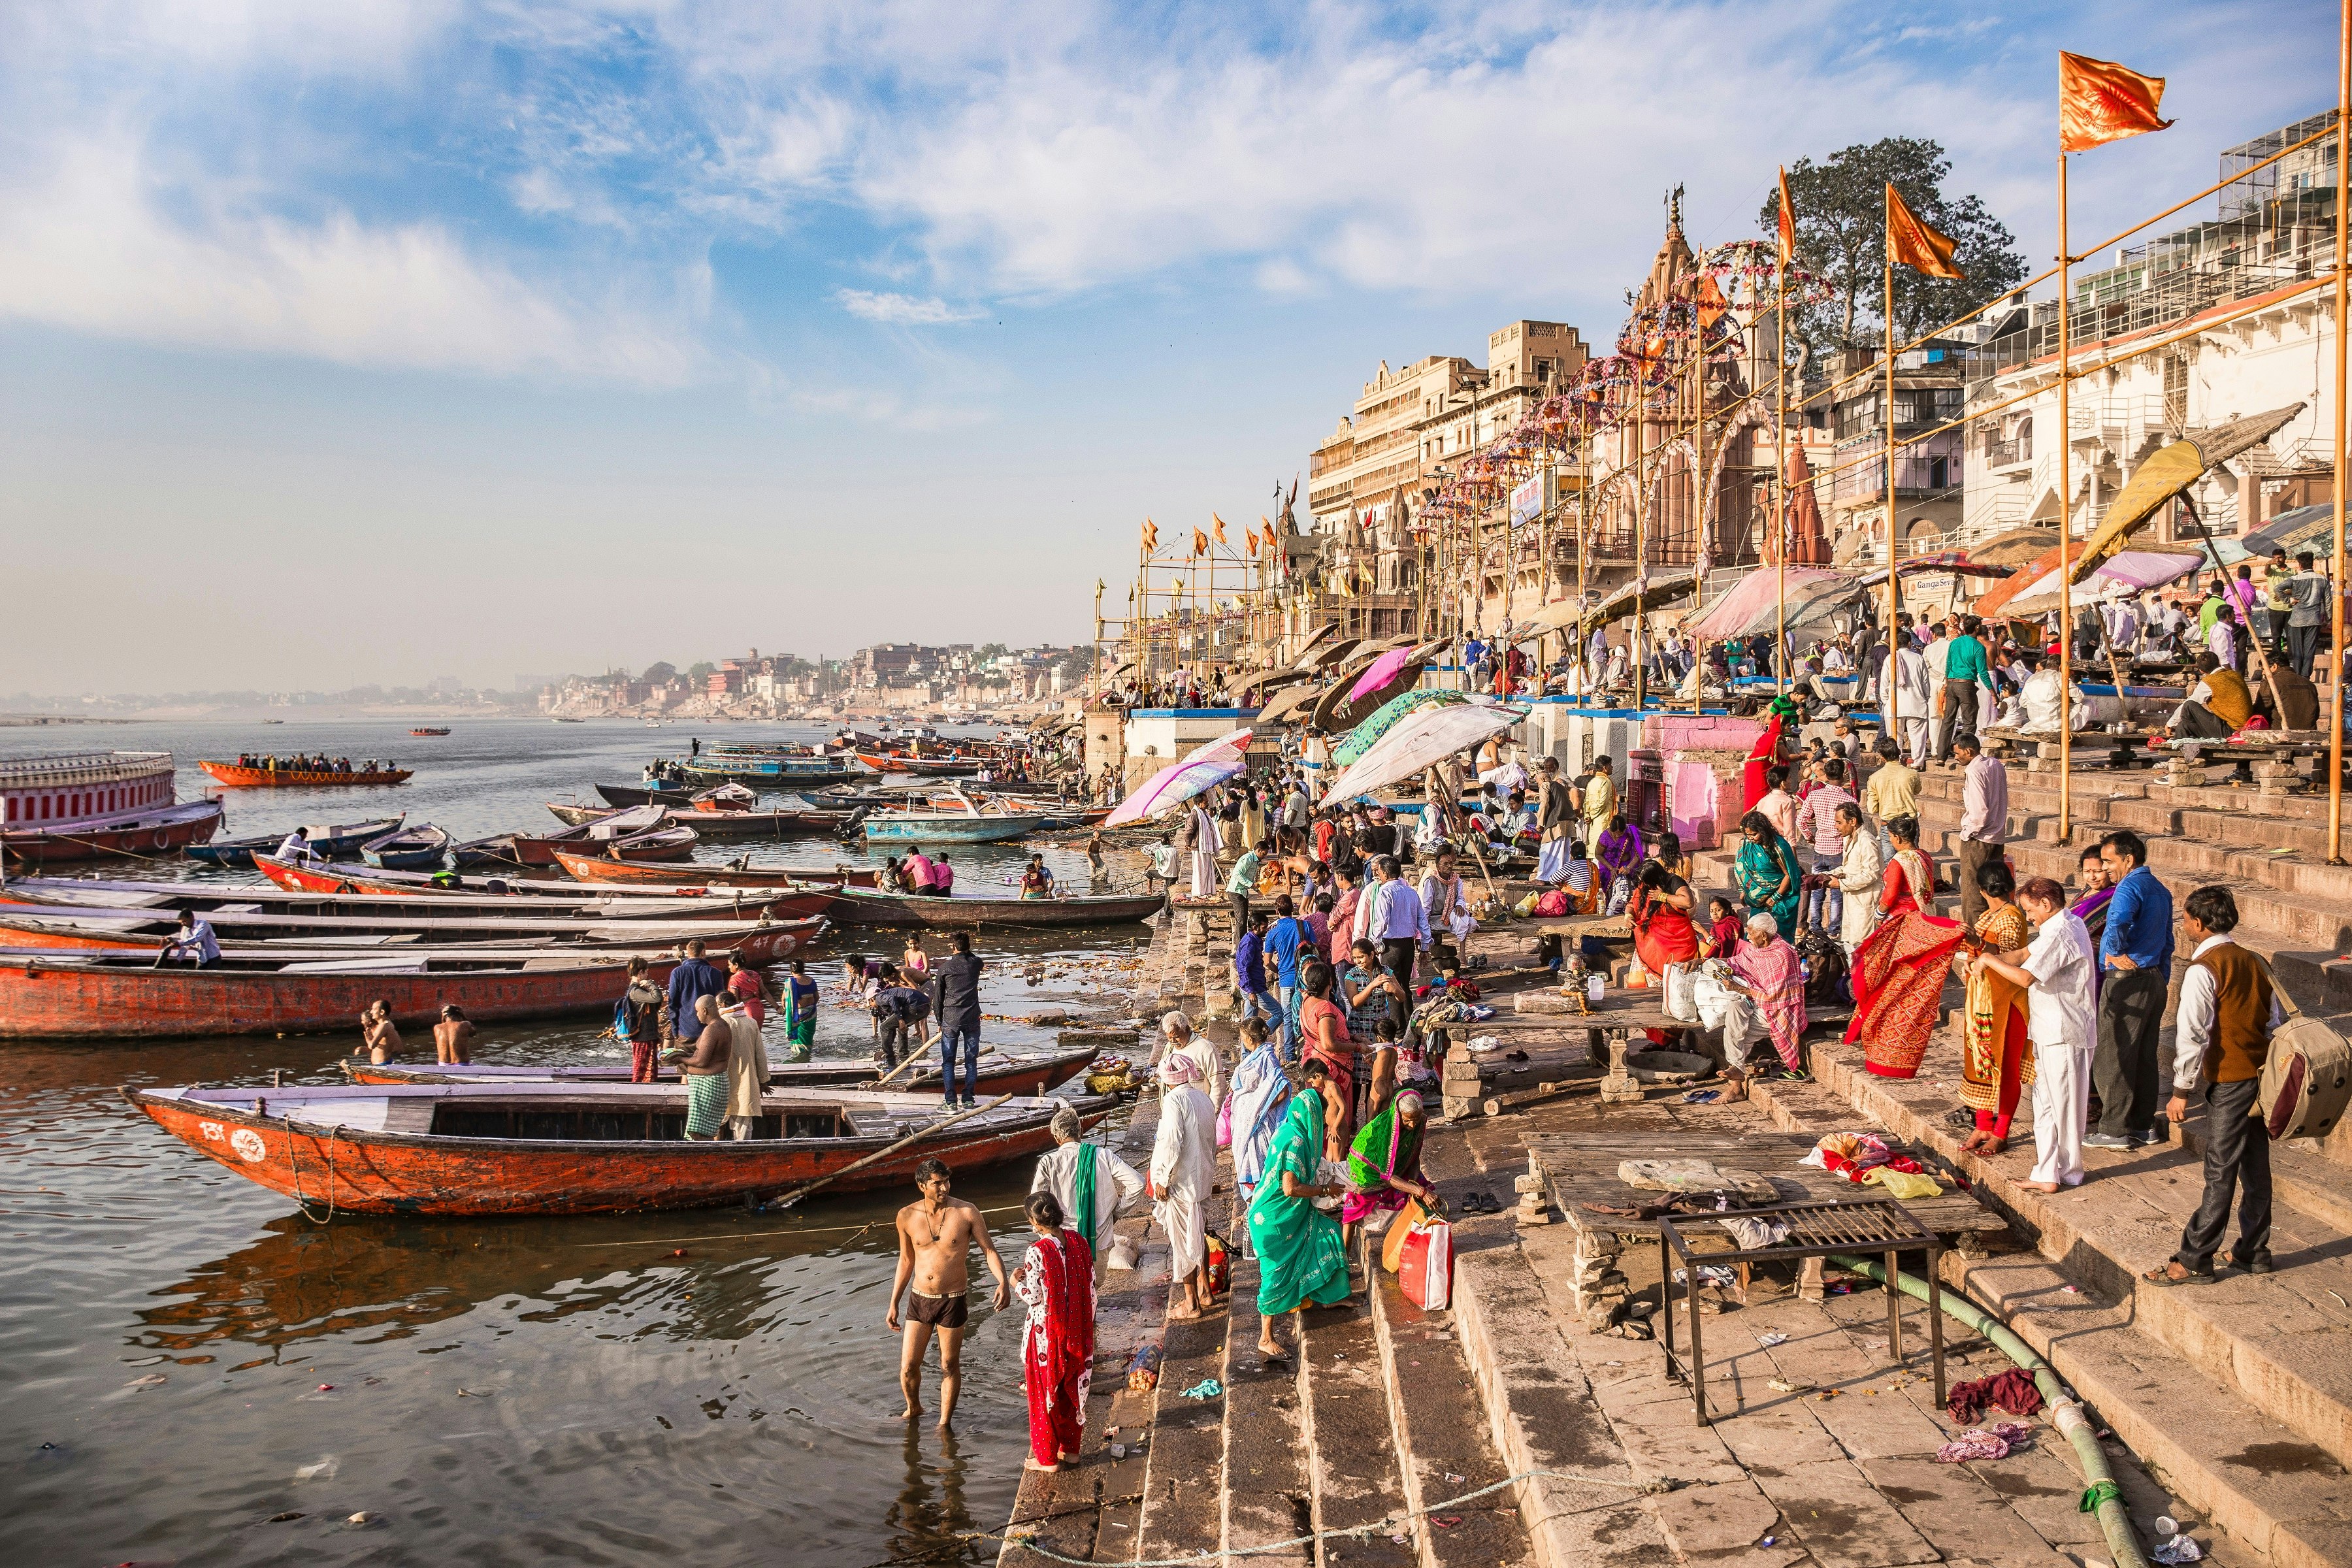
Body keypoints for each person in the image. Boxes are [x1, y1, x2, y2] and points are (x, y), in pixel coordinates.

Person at [2146, 886, 2287, 1285]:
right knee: (2256, 1165)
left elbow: (2192, 1036)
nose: (2185, 924)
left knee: (2221, 1168)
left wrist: (2180, 1090)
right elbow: (2274, 1020)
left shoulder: (2203, 969)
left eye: (2187, 919)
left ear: (2200, 923)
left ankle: (2194, 1258)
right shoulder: (2255, 961)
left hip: (2230, 1079)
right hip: (2262, 1076)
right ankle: (2253, 1249)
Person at [1967, 877, 2097, 1192]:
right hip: (2049, 1028)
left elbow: (2025, 977)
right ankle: (2046, 1173)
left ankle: (2067, 1171)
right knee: (2047, 1104)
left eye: (2030, 910)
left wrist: (1989, 962)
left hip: (2063, 1031)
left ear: (2046, 905)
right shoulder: (2062, 925)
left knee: (2064, 1106)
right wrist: (1986, 962)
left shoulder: (2063, 933)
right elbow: (2024, 954)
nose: (2028, 917)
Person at [887, 1158, 1011, 1428]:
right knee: (909, 1367)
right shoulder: (906, 1216)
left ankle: (944, 1425)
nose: (944, 1187)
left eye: (946, 1181)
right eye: (937, 1183)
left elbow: (989, 1250)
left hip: (952, 1300)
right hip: (920, 1299)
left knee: (948, 1365)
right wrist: (894, 1302)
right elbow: (906, 1260)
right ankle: (914, 1409)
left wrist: (1002, 1281)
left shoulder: (967, 1213)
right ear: (922, 1186)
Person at [1247, 1054, 1352, 1358]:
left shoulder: (1290, 1130)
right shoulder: (1294, 1141)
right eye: (1319, 1116)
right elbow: (1291, 1187)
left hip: (1288, 1214)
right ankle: (1265, 1336)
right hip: (1275, 1219)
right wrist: (1325, 1190)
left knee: (1329, 1234)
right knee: (1275, 1274)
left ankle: (1332, 1295)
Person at [1850, 815, 1967, 1080]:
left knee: (1888, 976)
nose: (1890, 841)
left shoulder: (1899, 861)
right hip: (1924, 920)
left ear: (1898, 838)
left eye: (1890, 836)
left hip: (1903, 923)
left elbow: (1890, 896)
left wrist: (1879, 915)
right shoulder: (1924, 856)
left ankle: (1885, 1019)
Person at [2090, 830, 2172, 1151]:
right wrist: (2160, 976)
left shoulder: (2129, 886)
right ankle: (2143, 1125)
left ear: (2128, 859)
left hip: (2127, 981)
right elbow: (2168, 941)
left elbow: (2117, 924)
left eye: (2109, 862)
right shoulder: (2160, 890)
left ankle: (2114, 1129)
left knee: (2113, 1056)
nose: (2106, 869)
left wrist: (2114, 953)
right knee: (2143, 1056)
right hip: (2153, 978)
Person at [1010, 1190, 1095, 1473]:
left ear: (1034, 1223)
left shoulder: (1037, 1251)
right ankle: (1070, 1451)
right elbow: (1091, 1285)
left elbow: (1033, 1295)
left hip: (1046, 1336)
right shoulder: (1078, 1241)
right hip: (1077, 1331)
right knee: (1071, 1390)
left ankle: (1046, 1459)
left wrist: (1014, 1283)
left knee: (1043, 1392)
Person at [1952, 862, 2032, 1156]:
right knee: (1982, 1064)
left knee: (2006, 1069)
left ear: (1982, 891)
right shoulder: (1991, 915)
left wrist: (1977, 943)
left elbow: (2011, 955)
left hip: (2006, 1003)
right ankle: (1984, 1124)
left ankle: (2001, 1132)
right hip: (1984, 1002)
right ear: (2011, 886)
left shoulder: (2011, 917)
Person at [1695, 912, 1805, 1098]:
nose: (1748, 937)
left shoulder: (1782, 954)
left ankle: (1735, 1088)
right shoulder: (1757, 949)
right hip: (1755, 1001)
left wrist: (1739, 988)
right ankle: (1736, 1074)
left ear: (1763, 935)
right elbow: (1735, 962)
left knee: (1738, 1038)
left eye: (1752, 933)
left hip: (1777, 1009)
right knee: (1734, 1011)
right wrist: (1702, 962)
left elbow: (1774, 995)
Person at [1030, 1102, 1145, 1265]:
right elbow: (1138, 1183)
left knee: (1068, 1289)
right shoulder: (1103, 1156)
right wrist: (1117, 1213)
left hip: (1062, 1241)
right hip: (1099, 1241)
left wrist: (1043, 1235)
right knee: (1094, 1288)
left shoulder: (1049, 1162)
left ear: (1057, 1139)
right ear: (1081, 1132)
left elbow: (1035, 1206)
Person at [1151, 1054, 1218, 1321]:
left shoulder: (1173, 1101)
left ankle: (1191, 1303)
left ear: (1168, 1082)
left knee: (1183, 1243)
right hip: (1201, 1178)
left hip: (1181, 1183)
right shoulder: (1202, 1098)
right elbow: (1212, 1140)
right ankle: (1206, 1291)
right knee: (1197, 1233)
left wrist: (1163, 1179)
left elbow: (1171, 1142)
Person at [1340, 1090, 1435, 1255]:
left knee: (1422, 1197)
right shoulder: (1385, 1130)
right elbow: (1387, 1176)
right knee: (1353, 1210)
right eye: (1407, 1121)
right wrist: (1419, 1191)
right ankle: (1343, 1261)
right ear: (1398, 1115)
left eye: (1416, 1120)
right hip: (1366, 1171)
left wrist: (1414, 1187)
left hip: (1395, 1167)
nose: (1412, 1125)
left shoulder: (1418, 1124)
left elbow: (1414, 1156)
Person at [1952, 734, 2008, 930]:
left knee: (1973, 892)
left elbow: (1979, 812)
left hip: (1979, 838)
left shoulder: (1975, 771)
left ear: (1968, 751)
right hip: (1996, 835)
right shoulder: (1995, 764)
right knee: (1994, 887)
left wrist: (1968, 833)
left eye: (1958, 753)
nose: (1956, 757)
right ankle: (1995, 932)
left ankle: (1974, 938)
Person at [1795, 758, 1857, 934]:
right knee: (1836, 893)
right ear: (1843, 775)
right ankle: (1834, 929)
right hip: (1838, 850)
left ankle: (1815, 926)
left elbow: (1801, 820)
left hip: (1819, 848)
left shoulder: (1815, 794)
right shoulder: (1848, 799)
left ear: (1825, 774)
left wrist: (1809, 837)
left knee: (1816, 890)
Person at [1362, 854, 1428, 999]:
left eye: (1379, 872)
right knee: (1405, 986)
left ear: (1385, 873)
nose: (1378, 875)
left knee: (1392, 988)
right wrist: (1425, 948)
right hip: (1408, 946)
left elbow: (1381, 922)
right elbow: (1423, 922)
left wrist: (1373, 943)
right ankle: (1408, 1020)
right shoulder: (1411, 892)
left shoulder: (1385, 892)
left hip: (1391, 946)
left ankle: (1398, 1022)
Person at [930, 932, 984, 1108]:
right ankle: (968, 1098)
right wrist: (966, 951)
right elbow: (973, 957)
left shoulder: (945, 968)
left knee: (948, 1062)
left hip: (950, 1019)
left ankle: (950, 1101)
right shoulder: (976, 964)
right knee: (971, 1061)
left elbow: (937, 999)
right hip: (971, 1017)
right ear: (969, 946)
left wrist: (939, 1022)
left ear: (952, 947)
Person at [1734, 809, 1804, 938]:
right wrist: (1744, 890)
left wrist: (1775, 898)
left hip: (1779, 900)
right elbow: (1745, 867)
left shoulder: (1779, 846)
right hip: (1760, 900)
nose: (1750, 838)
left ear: (1763, 830)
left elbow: (1789, 874)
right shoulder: (1748, 844)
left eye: (1754, 834)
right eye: (1747, 834)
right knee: (1753, 936)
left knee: (1775, 937)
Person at [673, 994, 734, 1139]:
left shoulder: (712, 1029)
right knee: (701, 1131)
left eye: (697, 1011)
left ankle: (706, 1158)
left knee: (697, 1132)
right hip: (715, 1082)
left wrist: (680, 1059)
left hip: (709, 1084)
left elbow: (702, 1062)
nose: (696, 1014)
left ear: (705, 1011)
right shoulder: (723, 1025)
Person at [1831, 802, 1884, 957]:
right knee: (1850, 944)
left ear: (1852, 821)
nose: (1836, 826)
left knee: (1863, 947)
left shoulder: (1867, 841)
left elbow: (1871, 874)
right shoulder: (1850, 838)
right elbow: (1848, 868)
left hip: (1865, 902)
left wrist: (1841, 884)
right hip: (1852, 902)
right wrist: (1826, 876)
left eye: (1839, 822)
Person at [719, 990, 771, 1141]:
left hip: (723, 1081)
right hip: (746, 1082)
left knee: (714, 1121)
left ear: (722, 1005)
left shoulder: (720, 1024)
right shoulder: (751, 1022)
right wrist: (763, 1080)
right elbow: (760, 1055)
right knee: (743, 1126)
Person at [2167, 652, 2251, 740]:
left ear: (2201, 671)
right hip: (2234, 724)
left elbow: (2191, 701)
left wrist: (2170, 724)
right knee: (2183, 726)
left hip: (2232, 730)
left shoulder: (2210, 682)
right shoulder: (2235, 674)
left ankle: (2182, 743)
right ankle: (2183, 748)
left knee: (2189, 705)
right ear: (2219, 662)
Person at [1941, 615, 1989, 756]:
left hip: (1952, 683)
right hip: (1966, 685)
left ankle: (1941, 756)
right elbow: (1983, 672)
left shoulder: (1954, 643)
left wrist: (1947, 683)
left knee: (1948, 721)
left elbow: (1948, 666)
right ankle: (1963, 753)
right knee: (1969, 722)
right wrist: (1993, 692)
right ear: (1977, 628)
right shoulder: (1978, 646)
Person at [1418, 847, 1471, 972]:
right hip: (1435, 918)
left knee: (1468, 922)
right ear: (1438, 866)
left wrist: (1459, 905)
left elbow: (1461, 897)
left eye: (1451, 863)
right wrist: (1423, 927)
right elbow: (1426, 906)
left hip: (1452, 915)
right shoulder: (1431, 882)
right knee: (1464, 923)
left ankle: (1462, 951)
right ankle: (1461, 953)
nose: (1449, 866)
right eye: (1445, 864)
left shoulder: (1456, 880)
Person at [666, 939, 727, 1045]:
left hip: (685, 1030)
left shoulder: (677, 973)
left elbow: (672, 1003)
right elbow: (720, 1003)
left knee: (684, 1059)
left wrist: (675, 1029)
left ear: (688, 953)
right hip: (710, 1031)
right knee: (709, 1060)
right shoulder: (715, 973)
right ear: (703, 952)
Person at [1158, 1009, 1224, 1103]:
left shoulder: (1206, 1049)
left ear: (1187, 1030)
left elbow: (1218, 1083)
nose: (1173, 1041)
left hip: (1199, 1105)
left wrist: (1213, 1111)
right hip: (1177, 1104)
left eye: (1176, 1037)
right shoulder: (1170, 1047)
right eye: (1169, 1038)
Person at [618, 956, 664, 1081]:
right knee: (642, 1074)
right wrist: (651, 984)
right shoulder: (635, 992)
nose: (648, 974)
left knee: (650, 1073)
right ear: (640, 973)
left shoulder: (638, 990)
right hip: (643, 1038)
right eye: (647, 972)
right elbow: (657, 998)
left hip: (648, 1036)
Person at [2287, 551, 2331, 678]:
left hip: (2297, 620)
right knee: (2309, 651)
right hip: (2314, 620)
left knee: (2297, 652)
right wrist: (2328, 618)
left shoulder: (2294, 579)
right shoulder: (2323, 579)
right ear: (2313, 564)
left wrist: (2289, 600)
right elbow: (2328, 601)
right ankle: (2305, 676)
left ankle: (2297, 675)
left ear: (2300, 566)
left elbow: (2278, 589)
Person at [1593, 814, 1643, 917]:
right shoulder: (1605, 837)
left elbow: (1638, 854)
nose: (1617, 836)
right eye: (1615, 834)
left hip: (1626, 866)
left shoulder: (1631, 833)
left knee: (1626, 887)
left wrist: (1629, 867)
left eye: (1620, 834)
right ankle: (1609, 911)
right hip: (1608, 867)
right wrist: (1611, 868)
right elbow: (1598, 854)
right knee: (1607, 891)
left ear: (1625, 830)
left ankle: (1628, 910)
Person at [1233, 907, 1275, 1027]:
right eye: (1264, 928)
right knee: (1279, 1013)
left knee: (1249, 1024)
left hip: (1253, 986)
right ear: (1255, 927)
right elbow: (1243, 968)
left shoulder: (1255, 939)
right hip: (1254, 989)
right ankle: (1262, 1035)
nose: (1266, 930)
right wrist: (1251, 991)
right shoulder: (1249, 943)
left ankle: (1247, 1045)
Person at [1534, 757, 1573, 883]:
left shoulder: (1546, 785)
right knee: (1563, 853)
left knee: (1547, 851)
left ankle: (1543, 878)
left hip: (1556, 823)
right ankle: (1559, 878)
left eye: (1538, 783)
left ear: (1542, 779)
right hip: (1568, 823)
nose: (1538, 786)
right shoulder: (1561, 786)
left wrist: (1540, 823)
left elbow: (1544, 804)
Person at [777, 958, 819, 1064]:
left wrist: (788, 1011)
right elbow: (817, 997)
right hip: (812, 1012)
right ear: (803, 969)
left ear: (791, 970)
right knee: (808, 1036)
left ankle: (801, 1057)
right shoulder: (812, 980)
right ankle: (807, 1052)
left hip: (798, 1014)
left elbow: (784, 1000)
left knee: (799, 1038)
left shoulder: (791, 983)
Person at [1225, 835, 1265, 932]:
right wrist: (1251, 885)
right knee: (1241, 921)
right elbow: (1237, 874)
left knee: (1244, 920)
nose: (1265, 857)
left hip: (1243, 892)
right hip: (1236, 891)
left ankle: (1244, 942)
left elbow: (1250, 877)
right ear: (1259, 850)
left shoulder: (1256, 861)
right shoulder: (1248, 858)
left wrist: (1257, 890)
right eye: (1264, 854)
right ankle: (1240, 946)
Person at [1754, 764, 1800, 849]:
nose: (1791, 781)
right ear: (1783, 783)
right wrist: (1793, 857)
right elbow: (1789, 832)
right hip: (1780, 844)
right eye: (1789, 778)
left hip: (1764, 844)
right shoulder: (1787, 802)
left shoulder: (1762, 801)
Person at [156, 909, 221, 968]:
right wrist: (178, 960)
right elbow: (185, 945)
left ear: (191, 917)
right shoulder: (185, 928)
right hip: (202, 958)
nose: (182, 924)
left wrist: (178, 943)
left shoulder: (203, 924)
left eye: (184, 921)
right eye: (181, 922)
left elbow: (197, 938)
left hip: (213, 957)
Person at [355, 999, 401, 1064]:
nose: (371, 1012)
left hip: (382, 1064)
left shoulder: (384, 1026)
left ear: (382, 1012)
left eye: (374, 1009)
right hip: (382, 1064)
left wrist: (368, 1040)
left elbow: (372, 1046)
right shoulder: (386, 1024)